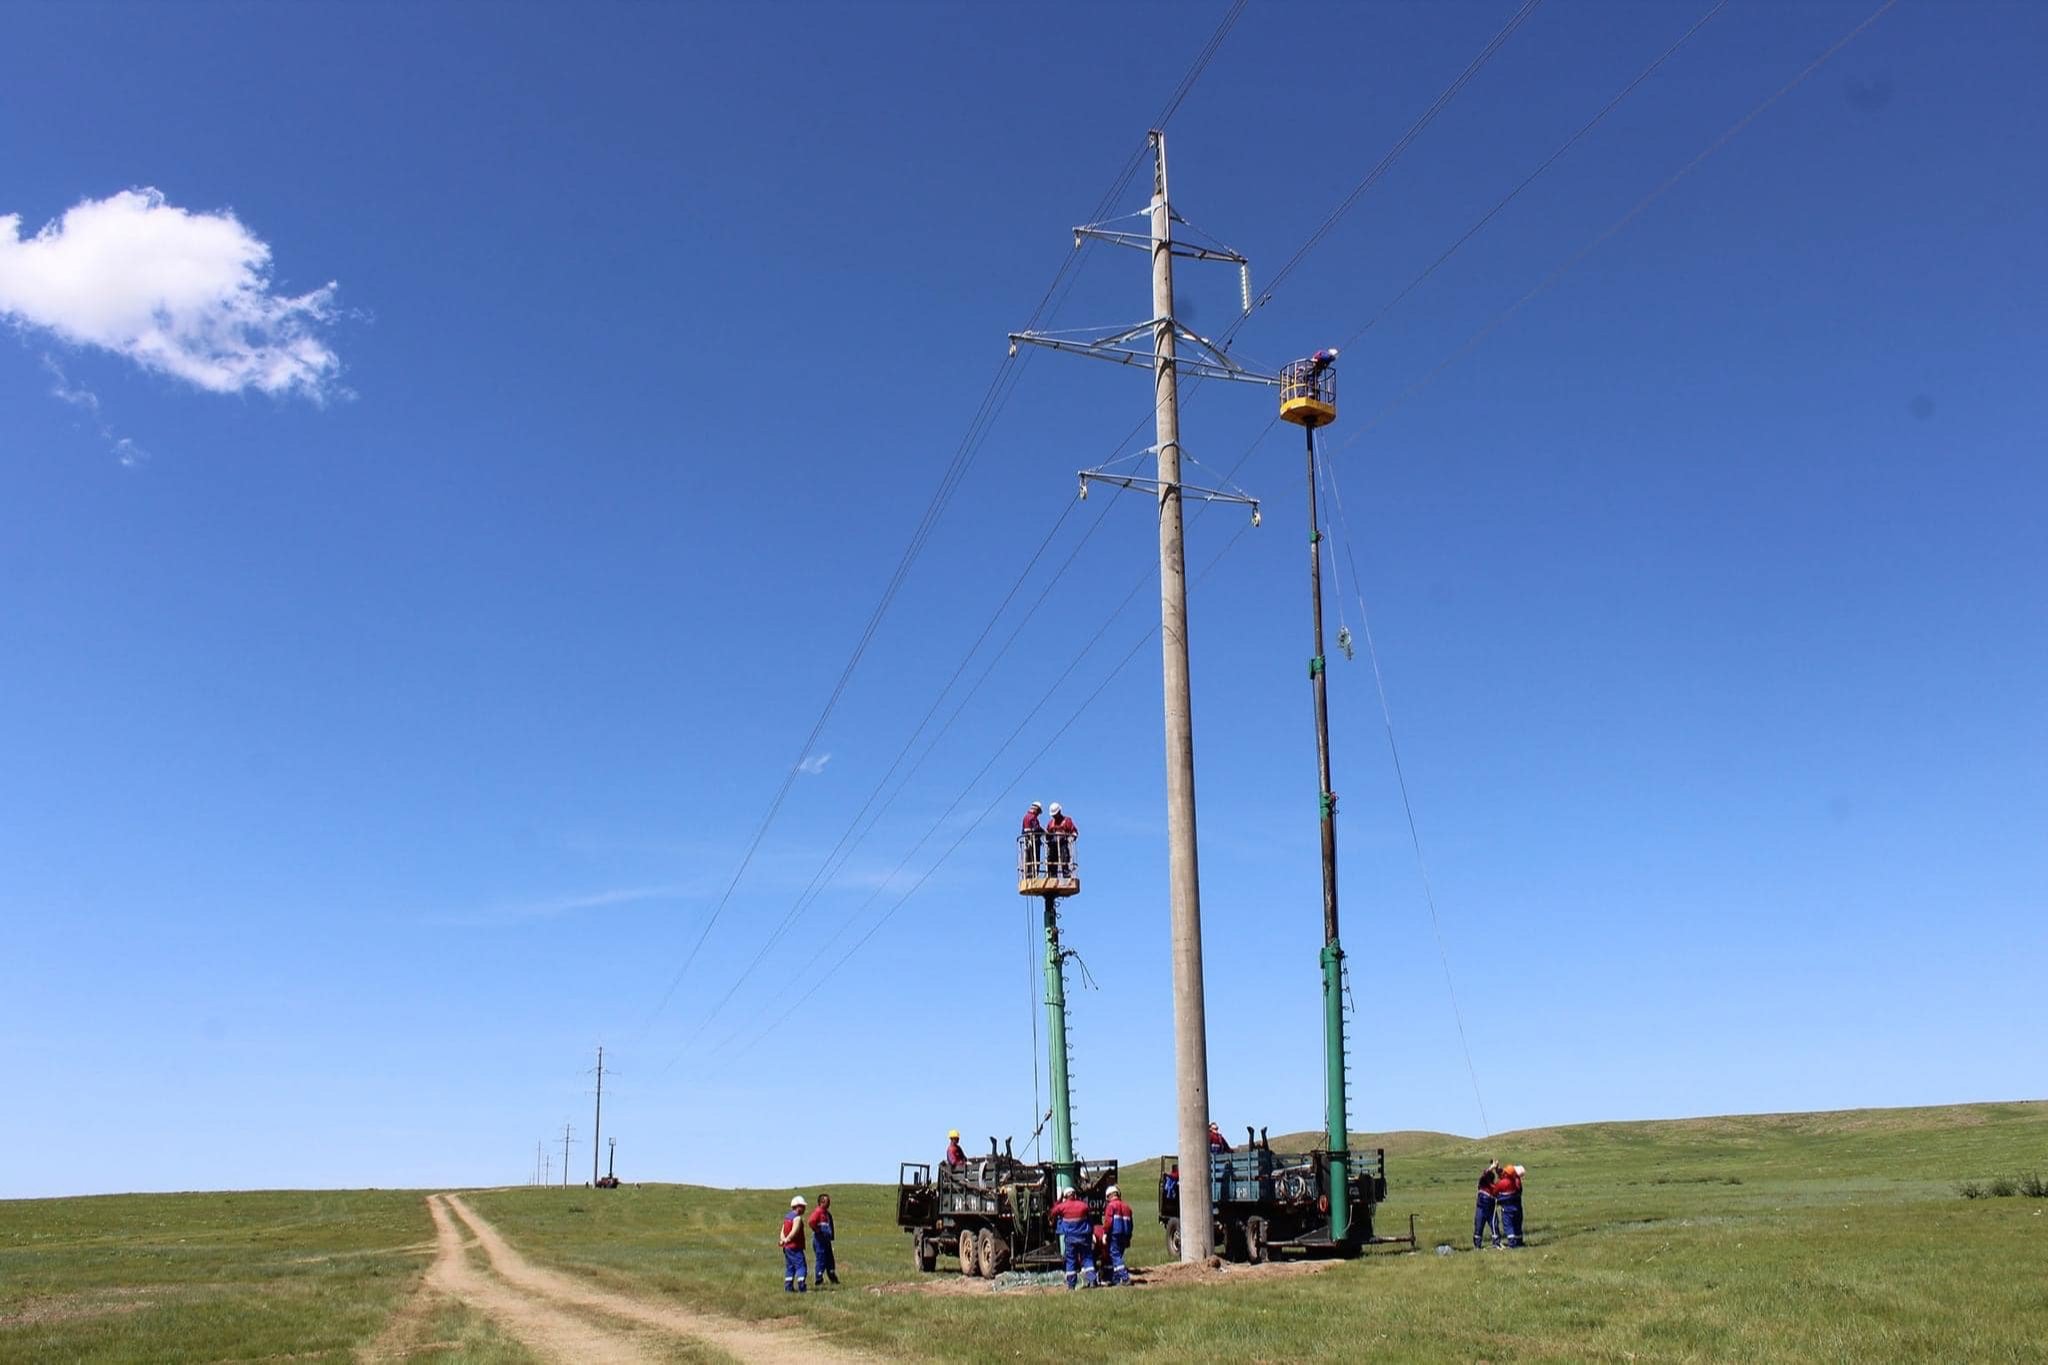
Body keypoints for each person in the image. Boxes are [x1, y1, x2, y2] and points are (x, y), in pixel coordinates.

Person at [1051, 1185, 1097, 1290]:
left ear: (1065, 1196)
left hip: (1070, 1238)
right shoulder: (1083, 1206)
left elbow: (1053, 1212)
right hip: (1084, 1237)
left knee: (1071, 1260)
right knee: (1087, 1258)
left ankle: (1071, 1285)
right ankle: (1092, 1280)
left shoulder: (1062, 1207)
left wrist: (1059, 1201)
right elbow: (1090, 1218)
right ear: (1075, 1195)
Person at [1102, 1184, 1135, 1286]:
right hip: (1125, 1234)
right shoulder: (1127, 1207)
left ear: (1108, 1196)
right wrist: (1129, 1236)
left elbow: (1108, 1221)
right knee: (1118, 1256)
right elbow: (1131, 1224)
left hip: (1115, 1234)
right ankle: (1116, 1279)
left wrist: (1105, 1233)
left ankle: (1125, 1278)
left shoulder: (1111, 1206)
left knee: (1115, 1255)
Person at [807, 1192, 839, 1287]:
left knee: (830, 1259)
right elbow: (811, 1221)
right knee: (821, 1259)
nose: (829, 1203)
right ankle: (819, 1279)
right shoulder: (818, 1212)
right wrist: (817, 1230)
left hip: (826, 1240)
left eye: (829, 1201)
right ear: (821, 1202)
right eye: (827, 1201)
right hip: (819, 1240)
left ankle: (832, 1276)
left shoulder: (827, 1214)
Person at [779, 1196, 808, 1293]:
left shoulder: (787, 1217)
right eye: (803, 1206)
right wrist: (788, 1239)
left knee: (790, 1267)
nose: (804, 1208)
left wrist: (783, 1240)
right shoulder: (797, 1218)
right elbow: (794, 1231)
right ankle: (802, 1286)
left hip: (787, 1248)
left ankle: (788, 1287)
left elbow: (782, 1231)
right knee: (801, 1266)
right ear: (797, 1206)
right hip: (795, 1247)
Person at [1494, 1161, 1525, 1248]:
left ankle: (1512, 1243)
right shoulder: (1516, 1182)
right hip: (1517, 1207)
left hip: (1507, 1208)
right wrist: (1497, 1168)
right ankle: (1519, 1242)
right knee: (1517, 1224)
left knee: (1508, 1225)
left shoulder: (1503, 1183)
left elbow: (1495, 1191)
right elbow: (1502, 1173)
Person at [1045, 802, 1078, 877]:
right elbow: (1048, 833)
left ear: (1059, 812)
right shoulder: (1051, 823)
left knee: (1064, 858)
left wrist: (1073, 836)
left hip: (1063, 843)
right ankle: (1052, 875)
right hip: (1053, 844)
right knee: (1052, 859)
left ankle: (1066, 874)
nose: (1054, 817)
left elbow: (1073, 831)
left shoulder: (1067, 820)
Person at [1474, 1161, 1501, 1249]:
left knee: (1494, 1225)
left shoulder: (1494, 1186)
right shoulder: (1482, 1183)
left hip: (1491, 1209)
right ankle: (1477, 1245)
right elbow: (1484, 1174)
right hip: (1481, 1208)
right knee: (1479, 1226)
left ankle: (1496, 1243)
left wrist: (1497, 1169)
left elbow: (1503, 1179)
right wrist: (1492, 1167)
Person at [1020, 801, 1045, 873]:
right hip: (1031, 842)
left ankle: (1031, 873)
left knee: (1033, 861)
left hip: (1034, 841)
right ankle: (1031, 874)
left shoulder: (1032, 818)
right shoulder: (1029, 817)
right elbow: (1030, 830)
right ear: (1036, 810)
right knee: (1033, 860)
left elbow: (1037, 828)